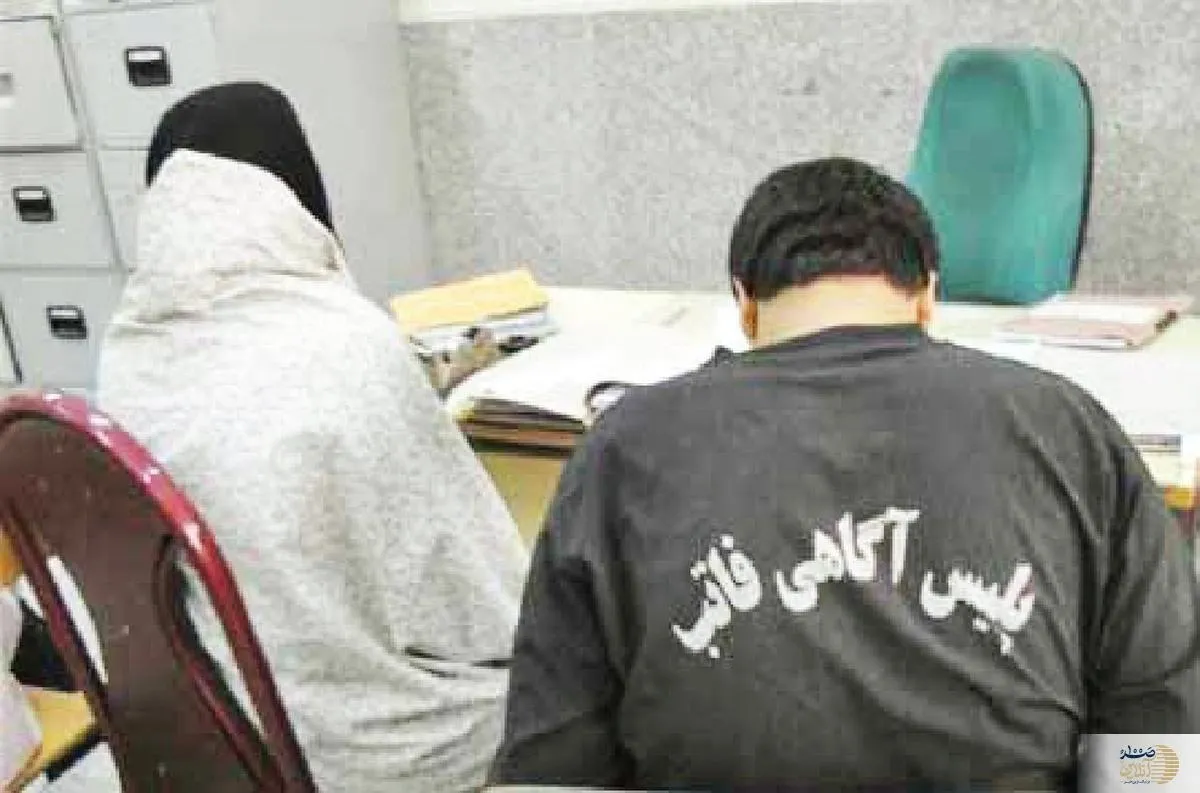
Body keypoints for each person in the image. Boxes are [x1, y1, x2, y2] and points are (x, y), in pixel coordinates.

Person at [490, 157, 1200, 791]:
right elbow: (1160, 753)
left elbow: (551, 769)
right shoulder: (1068, 428)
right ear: (927, 296)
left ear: (745, 305)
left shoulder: (624, 446)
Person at [98, 82, 529, 793]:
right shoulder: (349, 345)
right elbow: (485, 606)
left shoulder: (127, 357)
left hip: (216, 730)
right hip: (365, 754)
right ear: (292, 188)